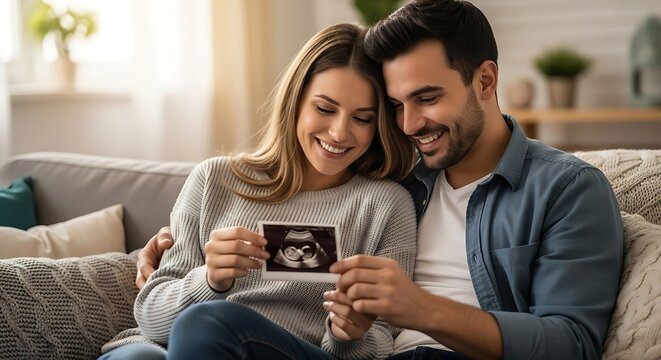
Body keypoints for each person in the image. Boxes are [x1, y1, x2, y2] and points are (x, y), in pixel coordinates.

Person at [138, 1, 624, 359]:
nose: (410, 124)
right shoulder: (397, 178)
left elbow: (572, 344)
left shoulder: (566, 189)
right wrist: (169, 258)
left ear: (485, 80)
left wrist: (420, 309)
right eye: (397, 106)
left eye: (427, 98)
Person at [100, 23, 418, 360]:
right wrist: (208, 281)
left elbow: (385, 338)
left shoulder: (386, 205)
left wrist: (349, 336)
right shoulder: (213, 179)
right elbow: (150, 317)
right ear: (295, 102)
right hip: (166, 347)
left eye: (362, 118)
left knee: (207, 323)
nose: (339, 132)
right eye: (324, 109)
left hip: (291, 351)